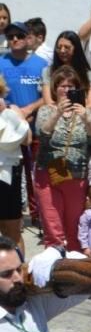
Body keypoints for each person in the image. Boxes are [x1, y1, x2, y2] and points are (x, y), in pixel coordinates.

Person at [34, 67, 91, 252]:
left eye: (71, 86)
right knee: (53, 229)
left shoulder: (85, 112)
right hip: (48, 173)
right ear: (55, 89)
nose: (66, 90)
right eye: (62, 86)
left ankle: (73, 269)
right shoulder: (46, 110)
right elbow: (42, 133)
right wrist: (57, 113)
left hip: (77, 174)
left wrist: (86, 119)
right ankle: (54, 270)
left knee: (74, 228)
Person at [0, 78, 31, 254]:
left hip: (9, 174)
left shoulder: (11, 111)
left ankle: (18, 274)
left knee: (11, 230)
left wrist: (12, 115)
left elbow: (26, 140)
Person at [0, 21, 46, 125]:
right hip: (7, 127)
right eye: (11, 37)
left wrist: (29, 109)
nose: (15, 39)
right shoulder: (1, 63)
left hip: (36, 125)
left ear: (28, 38)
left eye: (20, 36)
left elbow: (49, 95)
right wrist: (13, 113)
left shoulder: (42, 64)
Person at [41, 31, 91, 110]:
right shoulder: (48, 72)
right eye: (59, 47)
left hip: (81, 118)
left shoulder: (87, 74)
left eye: (66, 47)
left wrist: (73, 112)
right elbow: (48, 103)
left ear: (76, 48)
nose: (62, 50)